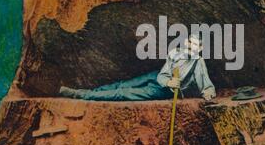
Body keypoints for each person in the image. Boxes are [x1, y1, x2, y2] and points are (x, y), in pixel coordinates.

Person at [59, 34, 216, 101]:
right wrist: (168, 81)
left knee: (122, 93)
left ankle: (79, 95)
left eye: (194, 45)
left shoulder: (198, 62)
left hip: (162, 92)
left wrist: (208, 92)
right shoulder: (175, 53)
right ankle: (89, 93)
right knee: (123, 84)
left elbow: (205, 83)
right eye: (189, 42)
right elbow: (163, 75)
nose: (189, 47)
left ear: (200, 48)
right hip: (158, 78)